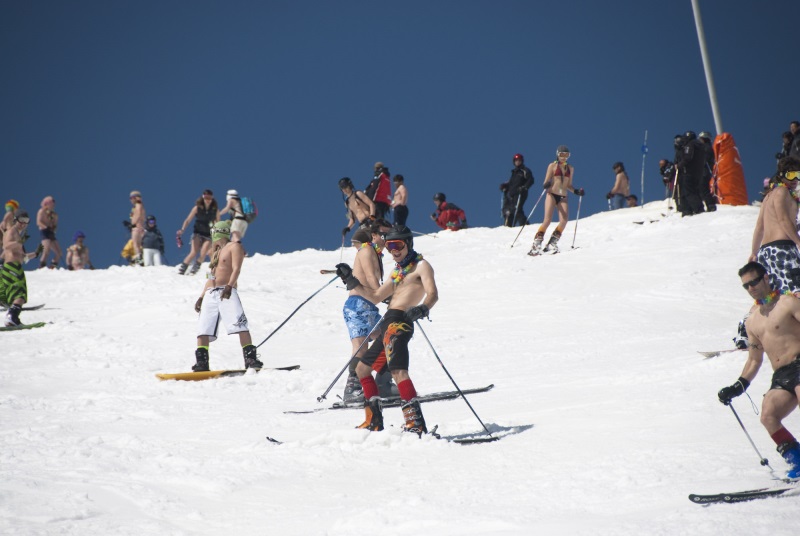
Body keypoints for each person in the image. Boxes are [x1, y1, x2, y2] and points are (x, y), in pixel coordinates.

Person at [334, 224, 438, 435]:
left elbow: (433, 293)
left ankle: (415, 423)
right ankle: (374, 420)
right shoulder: (398, 271)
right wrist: (351, 280)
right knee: (362, 369)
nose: (394, 250)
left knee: (398, 370)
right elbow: (375, 296)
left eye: (397, 244)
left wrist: (423, 309)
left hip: (400, 321)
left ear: (408, 243)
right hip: (387, 322)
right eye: (390, 246)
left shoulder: (422, 266)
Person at [717, 262, 800, 479]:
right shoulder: (752, 320)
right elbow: (754, 359)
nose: (751, 288)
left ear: (765, 278)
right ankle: (798, 460)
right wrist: (738, 386)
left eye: (754, 281)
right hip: (782, 375)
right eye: (746, 286)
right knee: (768, 415)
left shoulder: (788, 303)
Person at [191, 220, 262, 372]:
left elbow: (237, 268)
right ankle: (202, 363)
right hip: (211, 294)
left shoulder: (234, 246)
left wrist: (230, 286)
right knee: (203, 328)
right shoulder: (214, 253)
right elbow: (210, 278)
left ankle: (251, 359)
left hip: (227, 291)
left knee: (239, 324)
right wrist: (201, 296)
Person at [341, 219, 395, 403]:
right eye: (383, 234)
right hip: (357, 304)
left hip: (369, 305)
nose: (386, 238)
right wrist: (388, 296)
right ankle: (353, 387)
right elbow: (372, 280)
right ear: (373, 235)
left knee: (390, 335)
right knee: (361, 346)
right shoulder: (366, 250)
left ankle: (383, 380)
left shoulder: (377, 254)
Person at [749, 156, 800, 294]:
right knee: (795, 293)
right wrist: (798, 242)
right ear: (782, 175)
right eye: (791, 175)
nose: (795, 179)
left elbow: (759, 227)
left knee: (774, 297)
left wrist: (754, 252)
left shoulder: (767, 197)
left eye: (798, 174)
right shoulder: (782, 192)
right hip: (783, 249)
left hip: (765, 253)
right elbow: (783, 219)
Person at [528, 145, 585, 256]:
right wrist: (547, 184)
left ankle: (552, 243)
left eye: (566, 155)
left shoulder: (570, 168)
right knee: (547, 220)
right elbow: (545, 182)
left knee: (564, 220)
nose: (564, 157)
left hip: (563, 196)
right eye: (562, 154)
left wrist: (576, 191)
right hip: (552, 194)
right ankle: (536, 244)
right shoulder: (552, 166)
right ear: (557, 154)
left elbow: (569, 185)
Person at [1, 210, 41, 326]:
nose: (23, 224)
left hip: (16, 266)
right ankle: (11, 316)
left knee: (20, 294)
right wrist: (19, 243)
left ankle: (13, 317)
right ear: (15, 220)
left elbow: (23, 257)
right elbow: (6, 246)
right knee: (20, 293)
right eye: (21, 220)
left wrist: (36, 253)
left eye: (26, 221)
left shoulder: (17, 234)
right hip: (11, 266)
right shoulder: (11, 231)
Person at [177, 189, 218, 275]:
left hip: (208, 235)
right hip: (197, 233)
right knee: (194, 252)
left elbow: (218, 223)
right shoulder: (197, 208)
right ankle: (183, 269)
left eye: (209, 198)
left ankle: (195, 269)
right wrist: (182, 229)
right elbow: (188, 220)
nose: (207, 200)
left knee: (203, 253)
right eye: (206, 197)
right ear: (203, 198)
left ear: (212, 198)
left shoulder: (215, 210)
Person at [674, 132, 705, 216]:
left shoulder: (690, 145)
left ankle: (695, 209)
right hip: (698, 172)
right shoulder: (700, 146)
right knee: (694, 191)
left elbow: (688, 157)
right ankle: (692, 209)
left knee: (688, 191)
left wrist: (679, 165)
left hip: (688, 172)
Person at [501, 153, 535, 227]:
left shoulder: (525, 171)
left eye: (519, 160)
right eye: (516, 160)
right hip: (512, 194)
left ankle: (525, 225)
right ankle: (508, 226)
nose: (517, 162)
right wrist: (505, 186)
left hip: (520, 193)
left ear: (522, 161)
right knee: (508, 210)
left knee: (517, 209)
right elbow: (511, 183)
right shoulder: (514, 172)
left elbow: (531, 180)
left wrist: (524, 187)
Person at [36, 196, 62, 269]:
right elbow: (38, 222)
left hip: (51, 232)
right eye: (51, 203)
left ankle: (52, 267)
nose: (53, 205)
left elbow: (55, 224)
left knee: (59, 252)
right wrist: (46, 227)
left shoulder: (55, 214)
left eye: (53, 204)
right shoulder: (41, 211)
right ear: (46, 204)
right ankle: (41, 267)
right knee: (46, 250)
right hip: (44, 231)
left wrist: (53, 229)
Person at [124, 191, 146, 265]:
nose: (131, 200)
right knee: (138, 245)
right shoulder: (139, 205)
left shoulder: (138, 205)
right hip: (139, 227)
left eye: (132, 198)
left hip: (137, 227)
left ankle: (140, 260)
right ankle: (140, 259)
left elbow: (139, 214)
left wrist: (133, 224)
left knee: (136, 244)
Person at [697, 131, 718, 212]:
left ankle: (711, 205)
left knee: (704, 188)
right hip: (704, 170)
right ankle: (709, 204)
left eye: (701, 139)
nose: (700, 141)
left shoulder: (706, 147)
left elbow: (705, 159)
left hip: (705, 170)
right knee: (702, 188)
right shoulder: (706, 147)